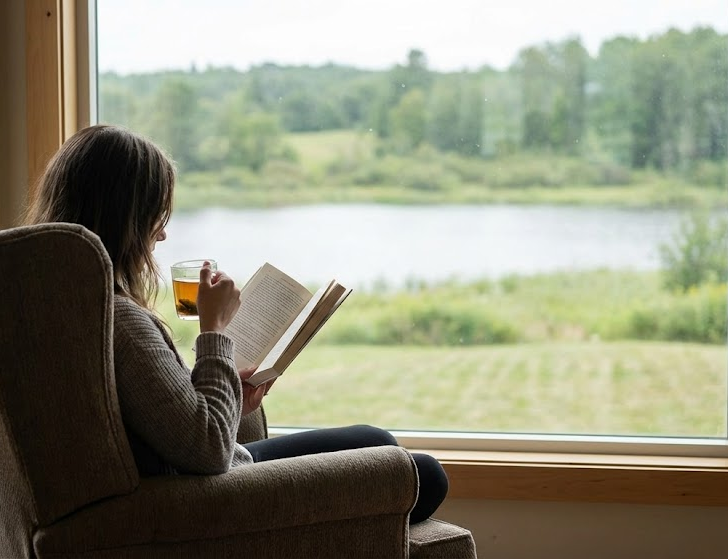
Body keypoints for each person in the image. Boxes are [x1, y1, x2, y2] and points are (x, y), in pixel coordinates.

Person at [23, 124, 448, 524]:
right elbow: (207, 449)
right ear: (126, 219)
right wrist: (214, 330)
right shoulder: (121, 322)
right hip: (213, 495)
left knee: (378, 441)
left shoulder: (66, 305)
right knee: (424, 474)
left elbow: (166, 417)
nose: (162, 235)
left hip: (206, 476)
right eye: (156, 215)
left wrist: (233, 400)